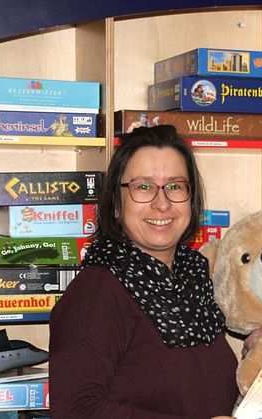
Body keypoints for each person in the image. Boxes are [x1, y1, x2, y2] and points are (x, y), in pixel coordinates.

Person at [49, 125, 238, 418]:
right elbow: (77, 410)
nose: (161, 204)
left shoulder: (196, 275)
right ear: (115, 203)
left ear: (191, 198)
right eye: (143, 187)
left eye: (175, 186)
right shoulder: (97, 291)